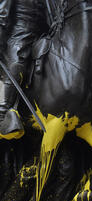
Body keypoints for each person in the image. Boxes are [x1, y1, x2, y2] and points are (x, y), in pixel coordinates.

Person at [0, 0, 48, 138]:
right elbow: (2, 14)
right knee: (15, 63)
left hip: (44, 31)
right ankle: (2, 115)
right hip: (19, 30)